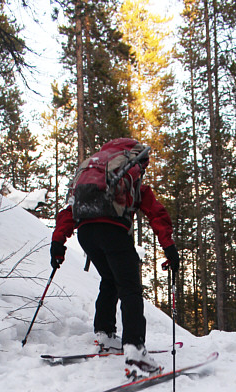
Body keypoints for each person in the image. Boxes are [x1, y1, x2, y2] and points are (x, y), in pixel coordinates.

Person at [50, 138, 180, 376]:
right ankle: (135, 350)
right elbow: (156, 213)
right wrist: (169, 246)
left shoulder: (94, 176)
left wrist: (58, 242)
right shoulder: (128, 180)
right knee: (130, 288)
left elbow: (70, 209)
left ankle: (105, 333)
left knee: (109, 279)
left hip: (86, 233)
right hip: (113, 232)